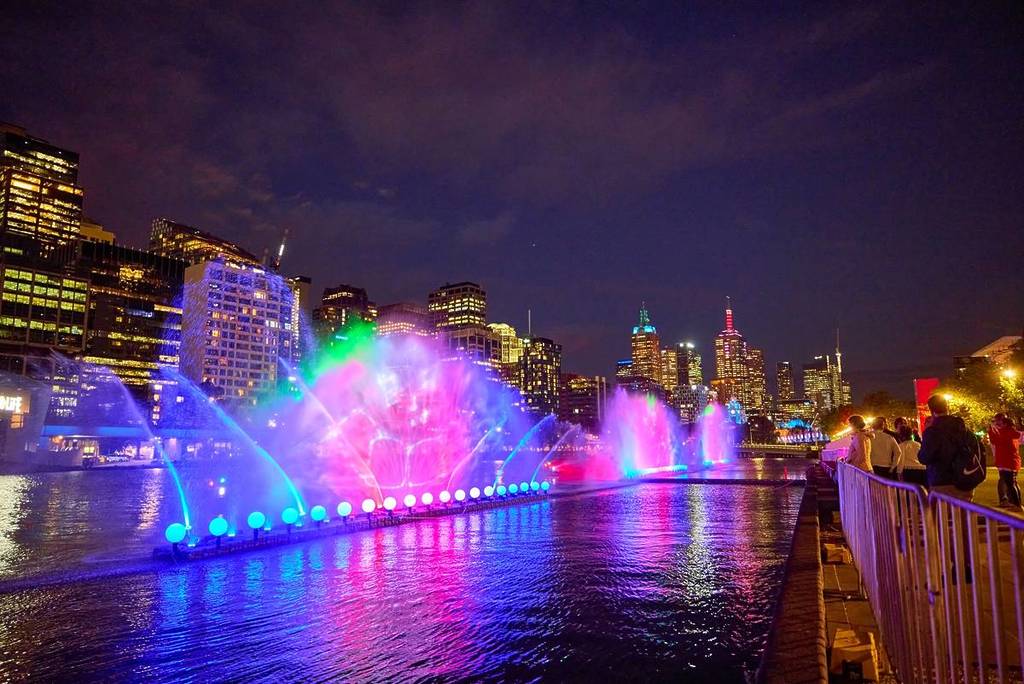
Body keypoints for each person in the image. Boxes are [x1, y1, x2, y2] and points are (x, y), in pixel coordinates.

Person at [918, 394, 981, 502]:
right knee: (964, 516)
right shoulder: (964, 429)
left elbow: (924, 457)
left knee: (942, 516)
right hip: (965, 480)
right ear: (947, 407)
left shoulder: (932, 432)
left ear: (931, 410)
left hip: (942, 481)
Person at [989, 413, 1022, 508]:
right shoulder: (1011, 432)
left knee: (1010, 484)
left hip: (1006, 462)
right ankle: (1016, 503)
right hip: (1011, 462)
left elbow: (994, 440)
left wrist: (991, 430)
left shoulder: (1005, 433)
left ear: (1005, 424)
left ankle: (1016, 504)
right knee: (1013, 483)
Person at [895, 420, 926, 485]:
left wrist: (899, 472)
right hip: (921, 469)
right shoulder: (918, 444)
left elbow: (901, 460)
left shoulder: (901, 446)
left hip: (908, 471)